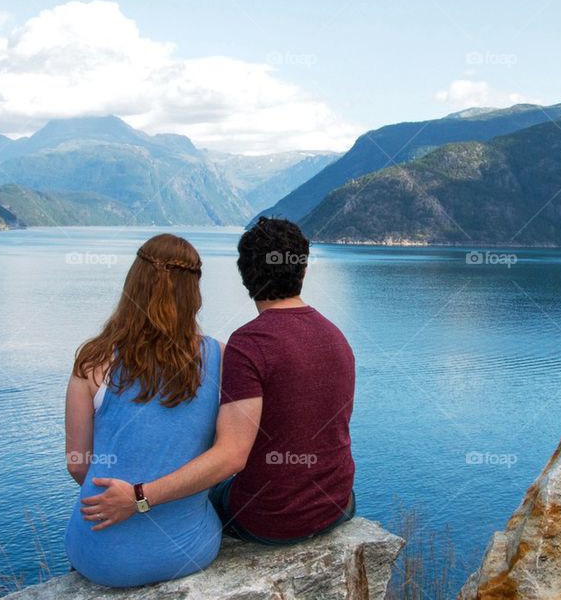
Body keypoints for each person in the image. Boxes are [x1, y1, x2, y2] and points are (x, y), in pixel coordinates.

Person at [83, 217, 356, 545]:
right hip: (338, 504)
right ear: (304, 270)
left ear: (245, 277)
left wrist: (140, 496)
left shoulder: (250, 344)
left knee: (199, 498)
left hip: (271, 520)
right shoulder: (336, 337)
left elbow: (231, 456)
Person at [64, 234, 222, 587]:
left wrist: (125, 496)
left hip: (100, 555)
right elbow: (227, 456)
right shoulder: (223, 358)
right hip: (189, 550)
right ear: (193, 294)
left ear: (133, 283)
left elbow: (77, 464)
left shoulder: (91, 361)